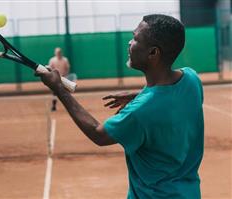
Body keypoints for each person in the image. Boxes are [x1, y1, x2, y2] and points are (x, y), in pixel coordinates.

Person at [37, 14, 204, 199]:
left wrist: (59, 89)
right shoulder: (191, 79)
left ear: (153, 53)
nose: (129, 43)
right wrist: (139, 94)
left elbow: (98, 134)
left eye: (135, 39)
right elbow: (168, 96)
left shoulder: (141, 111)